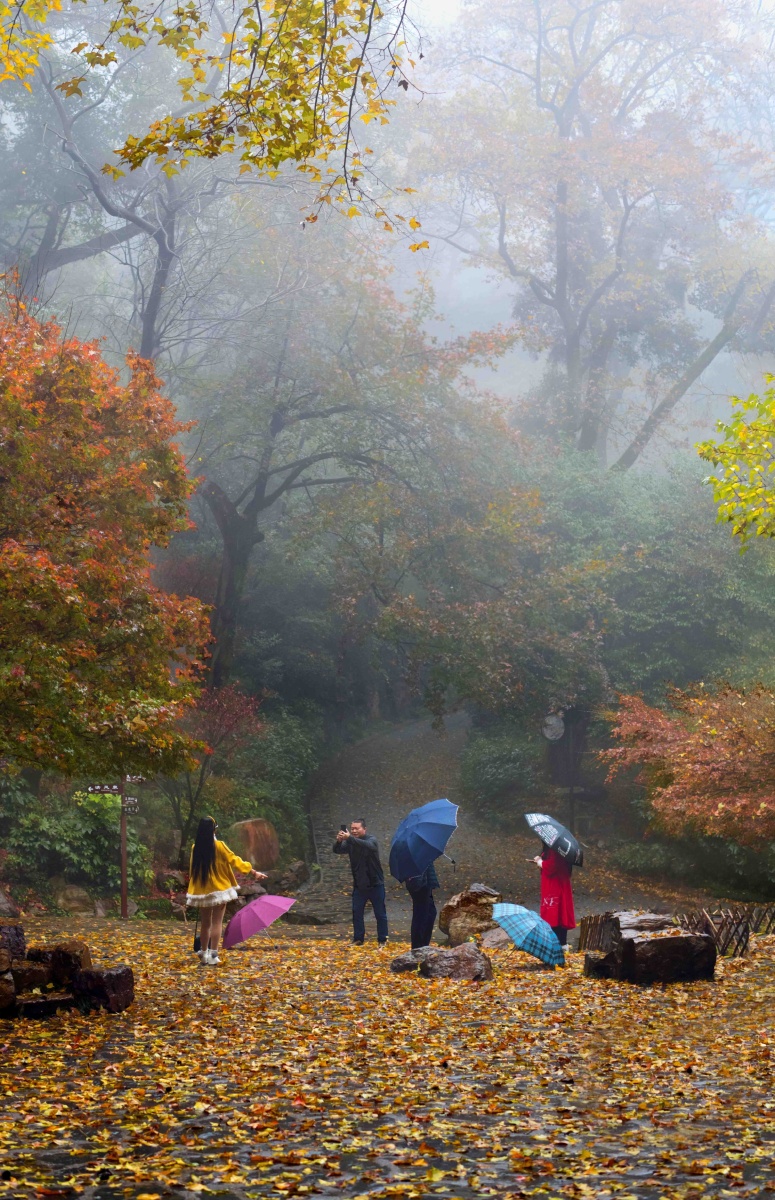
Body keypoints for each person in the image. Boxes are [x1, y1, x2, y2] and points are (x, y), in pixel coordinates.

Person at [187, 816, 266, 965]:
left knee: (205, 923)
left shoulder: (194, 848)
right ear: (214, 830)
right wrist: (253, 872)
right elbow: (235, 860)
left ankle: (203, 953)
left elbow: (193, 870)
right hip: (220, 889)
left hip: (202, 890)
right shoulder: (220, 846)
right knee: (217, 922)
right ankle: (214, 955)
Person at [333, 819, 389, 946]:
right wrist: (339, 841)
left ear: (364, 829)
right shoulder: (350, 842)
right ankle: (358, 939)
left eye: (356, 828)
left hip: (375, 883)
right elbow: (337, 850)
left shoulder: (371, 839)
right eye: (352, 828)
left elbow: (369, 846)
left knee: (380, 914)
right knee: (357, 912)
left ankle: (382, 940)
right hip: (359, 885)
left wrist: (350, 838)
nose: (353, 831)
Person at [533, 841, 576, 947]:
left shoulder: (555, 849)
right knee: (559, 912)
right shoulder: (559, 847)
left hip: (555, 886)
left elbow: (551, 866)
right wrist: (541, 861)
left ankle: (559, 944)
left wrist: (539, 861)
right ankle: (560, 944)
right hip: (557, 884)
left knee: (555, 913)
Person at [406, 861, 440, 949]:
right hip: (419, 884)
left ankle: (423, 946)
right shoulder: (414, 851)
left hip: (425, 882)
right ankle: (418, 947)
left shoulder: (422, 851)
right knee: (421, 916)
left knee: (431, 913)